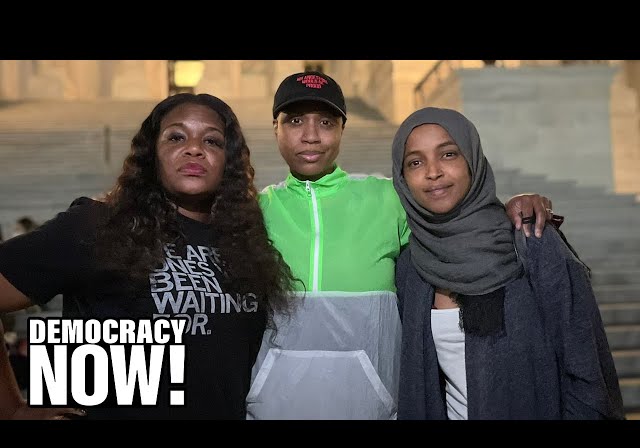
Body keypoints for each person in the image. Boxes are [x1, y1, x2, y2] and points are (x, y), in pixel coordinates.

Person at [246, 71, 557, 420]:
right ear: (275, 127)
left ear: (343, 129)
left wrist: (511, 205)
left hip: (373, 409)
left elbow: (455, 216)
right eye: (295, 121)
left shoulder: (388, 197)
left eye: (326, 122)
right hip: (275, 408)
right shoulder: (255, 211)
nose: (311, 135)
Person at [0, 92, 296, 420]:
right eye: (176, 137)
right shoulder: (96, 225)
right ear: (152, 153)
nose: (194, 148)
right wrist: (12, 409)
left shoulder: (246, 241)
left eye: (212, 141)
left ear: (229, 160)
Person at [392, 107, 624, 419]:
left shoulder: (533, 240)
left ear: (472, 160)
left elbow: (587, 373)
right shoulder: (412, 265)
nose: (433, 172)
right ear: (403, 178)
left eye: (448, 154)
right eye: (415, 162)